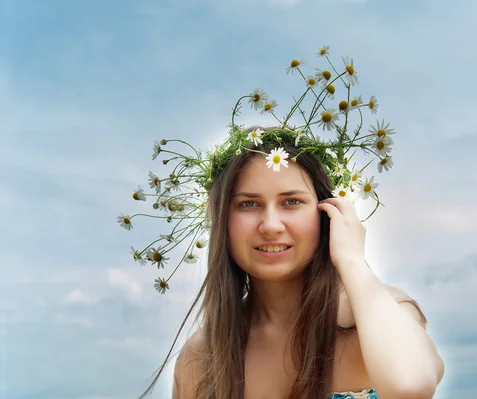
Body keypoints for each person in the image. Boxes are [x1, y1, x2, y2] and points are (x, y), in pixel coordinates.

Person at [124, 48, 444, 399]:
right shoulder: (204, 357)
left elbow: (411, 387)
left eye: (292, 202)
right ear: (221, 223)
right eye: (248, 204)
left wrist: (352, 261)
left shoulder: (376, 314)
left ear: (327, 211)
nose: (271, 225)